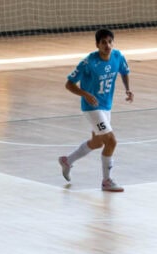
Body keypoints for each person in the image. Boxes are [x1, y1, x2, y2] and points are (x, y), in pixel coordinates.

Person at [58, 28, 134, 192]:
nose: (107, 45)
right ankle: (106, 181)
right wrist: (84, 93)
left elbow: (124, 71)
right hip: (91, 107)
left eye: (109, 42)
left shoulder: (117, 56)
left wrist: (128, 89)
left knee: (98, 142)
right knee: (111, 141)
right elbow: (69, 84)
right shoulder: (88, 63)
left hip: (106, 106)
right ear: (97, 45)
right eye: (103, 42)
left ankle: (67, 161)